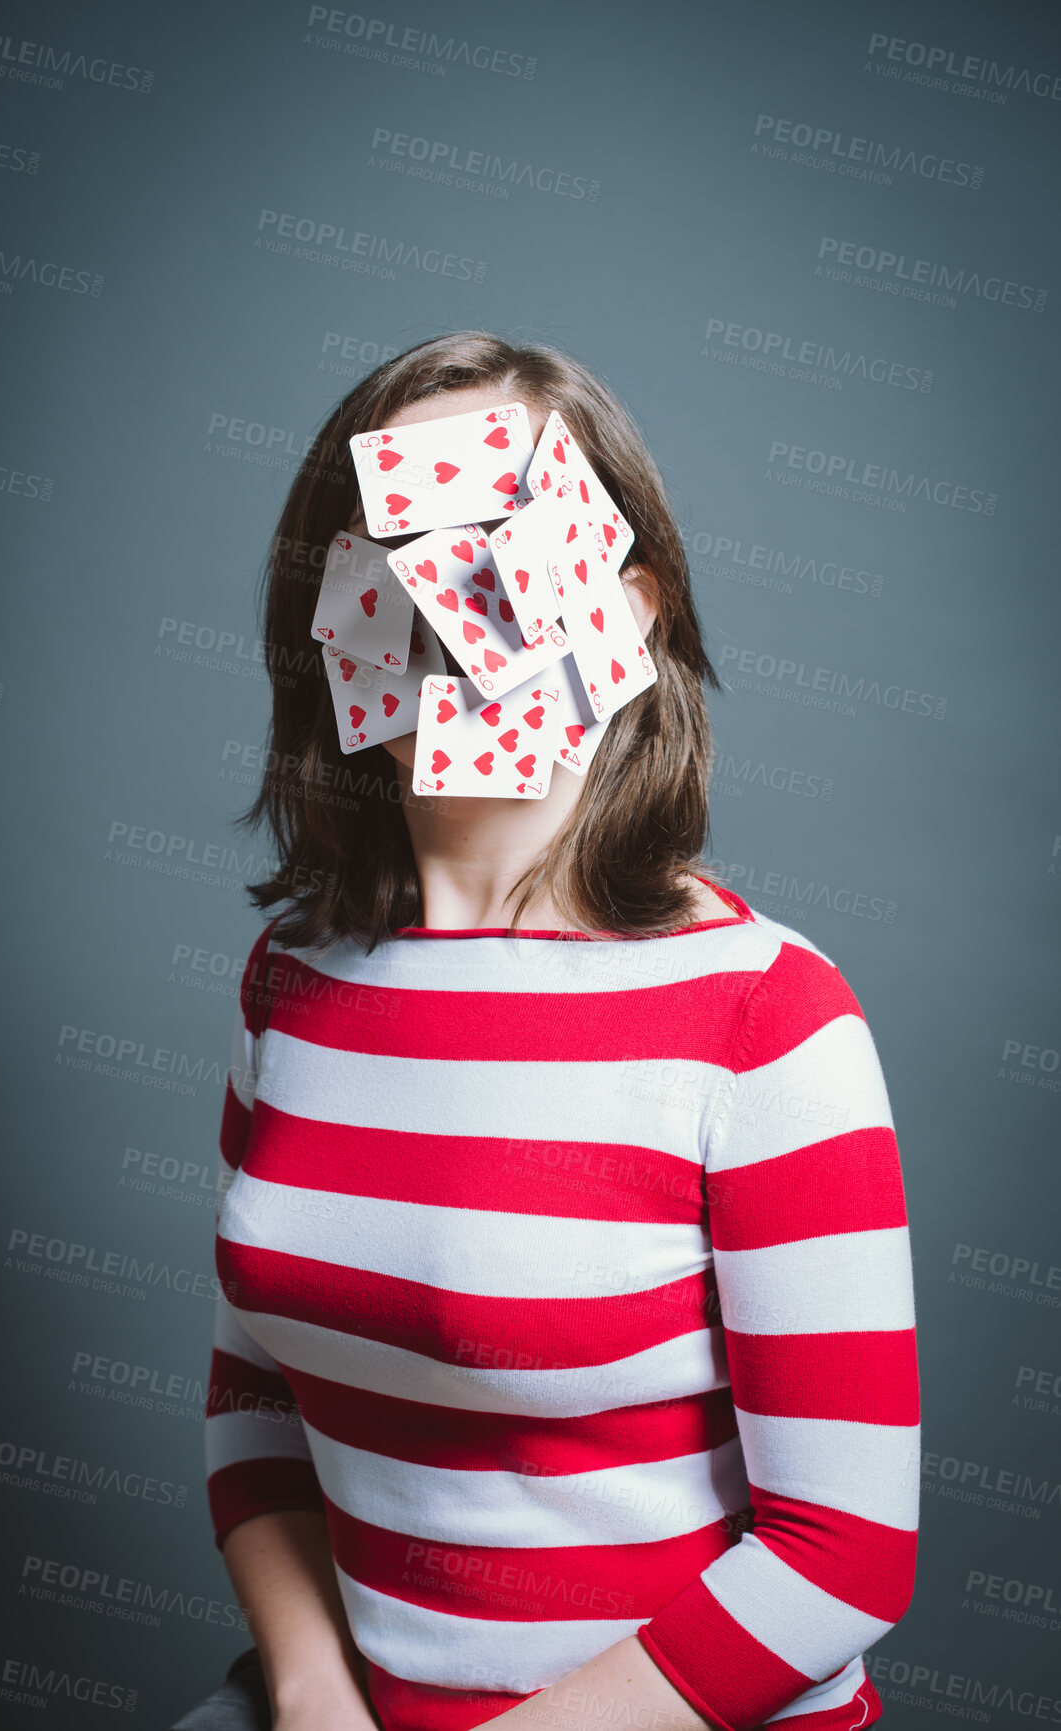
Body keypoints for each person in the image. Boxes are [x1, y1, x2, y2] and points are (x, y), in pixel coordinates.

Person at [170, 333, 920, 1731]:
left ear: (629, 610)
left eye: (498, 544)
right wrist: (317, 1693)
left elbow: (845, 1554)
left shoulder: (770, 1020)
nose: (450, 611)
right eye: (391, 552)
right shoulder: (288, 981)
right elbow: (254, 1396)